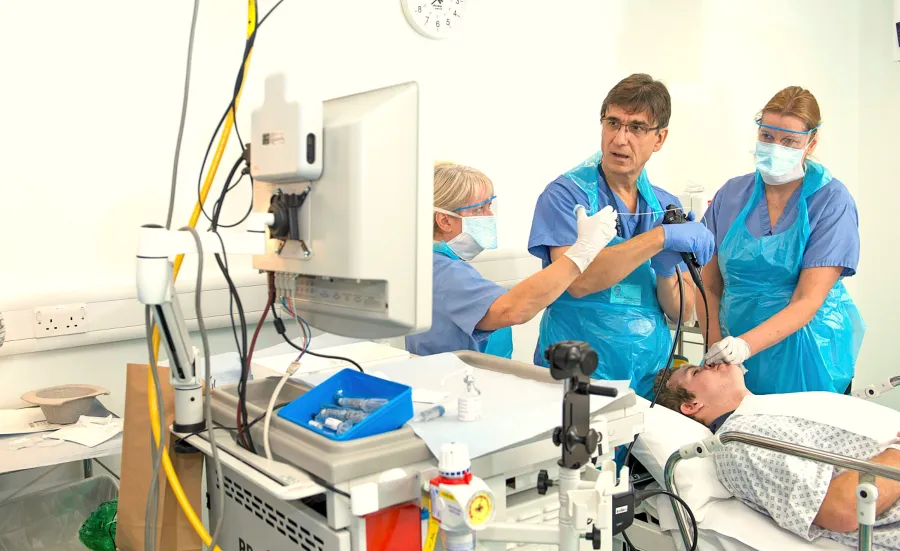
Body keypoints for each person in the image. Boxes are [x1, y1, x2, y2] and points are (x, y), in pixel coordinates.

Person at [527, 73, 715, 398]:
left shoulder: (665, 206)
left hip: (646, 375)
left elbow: (682, 313)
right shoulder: (567, 197)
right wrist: (659, 240)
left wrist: (667, 269)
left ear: (659, 139)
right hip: (577, 372)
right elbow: (577, 281)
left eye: (637, 128)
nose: (619, 138)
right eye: (613, 123)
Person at [699, 86, 865, 395]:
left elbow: (807, 300)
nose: (775, 148)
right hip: (733, 356)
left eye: (789, 141)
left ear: (811, 144)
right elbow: (708, 285)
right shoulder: (731, 195)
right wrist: (715, 349)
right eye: (767, 137)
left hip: (808, 353)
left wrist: (746, 345)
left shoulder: (830, 200)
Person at [654, 363, 900, 549]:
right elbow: (842, 508)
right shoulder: (738, 443)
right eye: (696, 372)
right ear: (692, 405)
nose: (711, 362)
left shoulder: (770, 412)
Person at [405, 163, 618, 358]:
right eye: (479, 209)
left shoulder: (427, 264)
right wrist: (583, 250)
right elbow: (512, 309)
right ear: (444, 220)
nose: (489, 216)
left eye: (490, 206)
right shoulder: (445, 272)